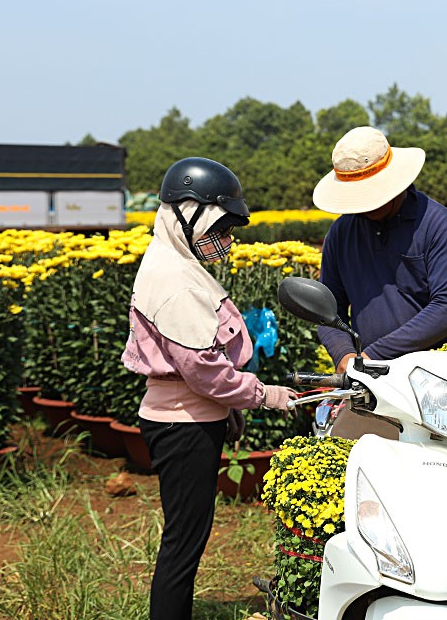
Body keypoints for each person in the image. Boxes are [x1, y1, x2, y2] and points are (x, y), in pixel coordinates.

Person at [121, 157, 297, 620]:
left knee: (186, 535)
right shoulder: (174, 281)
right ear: (186, 213)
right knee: (184, 541)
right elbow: (203, 371)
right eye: (219, 225)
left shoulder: (172, 259)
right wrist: (264, 394)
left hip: (187, 417)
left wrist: (228, 406)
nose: (226, 238)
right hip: (182, 425)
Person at [311, 126, 447, 373]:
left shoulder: (438, 225)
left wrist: (375, 354)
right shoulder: (341, 234)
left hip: (437, 376)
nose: (363, 205)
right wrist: (345, 354)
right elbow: (330, 313)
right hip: (369, 379)